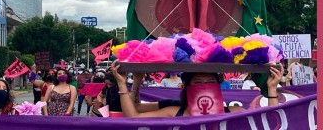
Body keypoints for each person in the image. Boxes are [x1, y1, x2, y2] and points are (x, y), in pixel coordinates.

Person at [111, 62, 284, 117]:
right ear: (187, 87)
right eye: (199, 82)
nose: (204, 86)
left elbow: (268, 123)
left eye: (209, 81)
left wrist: (272, 88)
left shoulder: (234, 111)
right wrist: (125, 83)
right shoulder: (174, 111)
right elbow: (133, 117)